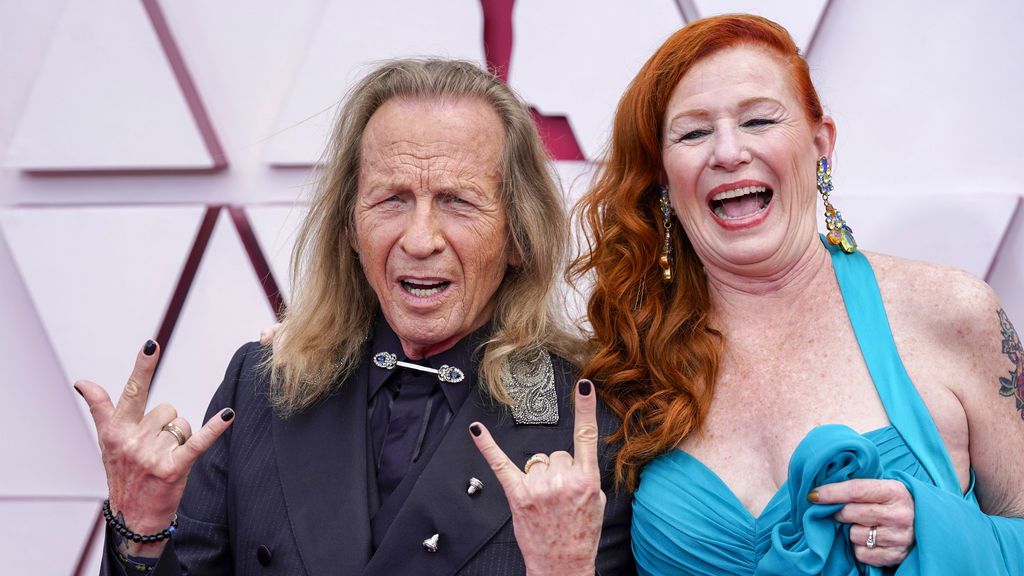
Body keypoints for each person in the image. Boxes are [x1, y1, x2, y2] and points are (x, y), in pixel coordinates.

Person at [75, 58, 634, 575]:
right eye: (391, 199)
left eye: (457, 201)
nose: (419, 239)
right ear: (349, 227)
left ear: (518, 235)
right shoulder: (262, 387)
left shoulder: (590, 420)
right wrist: (140, 531)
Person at [568, 14, 1024, 575]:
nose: (728, 152)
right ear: (664, 177)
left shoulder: (953, 312)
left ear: (820, 143)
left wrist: (935, 528)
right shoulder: (628, 359)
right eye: (693, 132)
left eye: (759, 120)